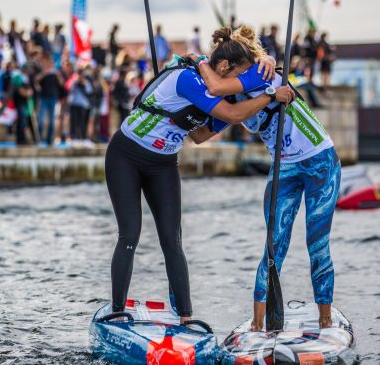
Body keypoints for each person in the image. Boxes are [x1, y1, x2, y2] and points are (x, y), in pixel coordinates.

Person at [105, 25, 292, 323]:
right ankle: (116, 311)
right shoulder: (187, 78)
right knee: (130, 234)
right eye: (236, 79)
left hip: (163, 163)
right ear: (222, 66)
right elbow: (231, 113)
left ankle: (186, 317)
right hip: (126, 155)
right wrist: (271, 97)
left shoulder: (217, 83)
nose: (237, 87)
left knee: (172, 240)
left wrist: (267, 62)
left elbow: (201, 136)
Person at [195, 28, 339, 331]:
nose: (243, 79)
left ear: (225, 67)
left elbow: (217, 85)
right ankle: (258, 325)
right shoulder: (234, 100)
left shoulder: (260, 72)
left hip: (319, 160)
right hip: (284, 166)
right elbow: (201, 135)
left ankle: (325, 320)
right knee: (273, 247)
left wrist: (199, 63)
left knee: (317, 244)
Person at [36, 56, 63, 145]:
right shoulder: (43, 73)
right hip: (44, 98)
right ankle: (38, 139)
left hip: (53, 98)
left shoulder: (56, 73)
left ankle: (49, 140)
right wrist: (44, 73)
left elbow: (62, 83)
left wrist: (57, 74)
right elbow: (36, 80)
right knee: (41, 120)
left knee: (52, 120)